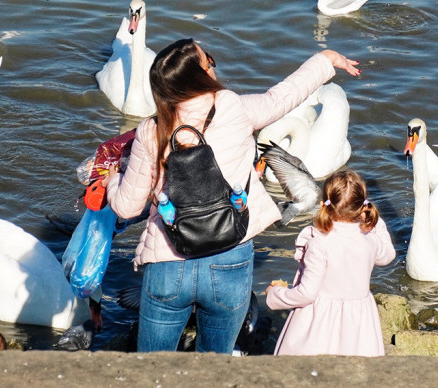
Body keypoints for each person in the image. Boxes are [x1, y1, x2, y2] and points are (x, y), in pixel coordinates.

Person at [106, 39, 360, 354]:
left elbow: (128, 207)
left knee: (152, 367)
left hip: (168, 261)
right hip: (229, 255)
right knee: (215, 366)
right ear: (198, 76)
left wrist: (113, 178)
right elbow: (280, 97)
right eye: (208, 60)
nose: (213, 65)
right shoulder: (232, 107)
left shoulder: (151, 130)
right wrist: (324, 60)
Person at [265, 170, 395, 356]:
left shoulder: (319, 242)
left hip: (320, 322)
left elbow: (307, 294)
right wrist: (375, 222)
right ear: (362, 207)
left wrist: (276, 294)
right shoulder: (369, 240)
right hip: (359, 322)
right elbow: (387, 255)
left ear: (323, 205)